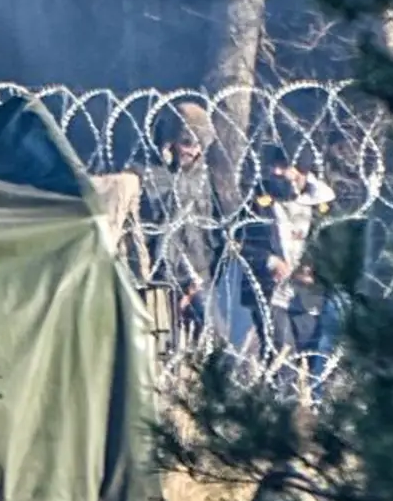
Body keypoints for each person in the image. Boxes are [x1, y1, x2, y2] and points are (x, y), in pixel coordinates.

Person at [238, 143, 336, 400]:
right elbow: (240, 241)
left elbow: (337, 246)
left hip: (307, 295)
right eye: (275, 166)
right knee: (282, 355)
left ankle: (304, 415)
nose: (277, 172)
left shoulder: (324, 203)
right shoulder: (259, 199)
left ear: (302, 171)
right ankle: (277, 413)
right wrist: (271, 262)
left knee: (308, 355)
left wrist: (316, 269)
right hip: (270, 293)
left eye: (284, 166)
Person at [133, 102, 221, 339]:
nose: (194, 151)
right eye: (188, 143)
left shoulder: (202, 177)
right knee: (161, 345)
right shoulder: (143, 173)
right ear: (168, 141)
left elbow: (210, 229)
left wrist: (198, 280)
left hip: (197, 274)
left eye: (201, 146)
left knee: (216, 340)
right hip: (158, 277)